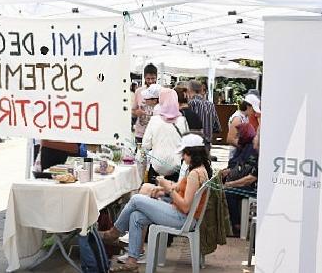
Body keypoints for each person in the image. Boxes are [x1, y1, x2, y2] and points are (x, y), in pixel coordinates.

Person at [102, 139, 212, 272]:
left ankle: (115, 232)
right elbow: (180, 188)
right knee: (136, 216)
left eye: (185, 154)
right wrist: (163, 188)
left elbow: (185, 207)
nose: (183, 157)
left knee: (136, 199)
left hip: (182, 218)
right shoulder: (201, 170)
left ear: (192, 154)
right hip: (183, 216)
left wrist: (169, 189)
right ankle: (131, 262)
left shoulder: (195, 174)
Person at [142, 88, 189, 183]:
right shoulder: (182, 121)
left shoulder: (154, 120)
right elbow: (186, 144)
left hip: (157, 168)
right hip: (176, 169)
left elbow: (146, 145)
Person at [222, 122, 258, 237]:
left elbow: (250, 179)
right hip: (243, 181)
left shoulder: (253, 151)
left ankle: (236, 224)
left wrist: (231, 184)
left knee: (229, 192)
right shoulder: (244, 146)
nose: (237, 136)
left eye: (239, 133)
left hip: (251, 188)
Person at [187, 80, 221, 154]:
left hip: (194, 142)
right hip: (207, 142)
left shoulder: (191, 103)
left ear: (190, 89)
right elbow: (217, 127)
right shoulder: (211, 105)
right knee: (204, 164)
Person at [132, 64, 158, 143]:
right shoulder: (139, 91)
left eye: (153, 78)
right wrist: (137, 112)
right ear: (144, 78)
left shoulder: (161, 91)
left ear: (157, 77)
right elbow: (133, 110)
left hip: (156, 133)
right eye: (148, 79)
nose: (150, 81)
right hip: (140, 133)